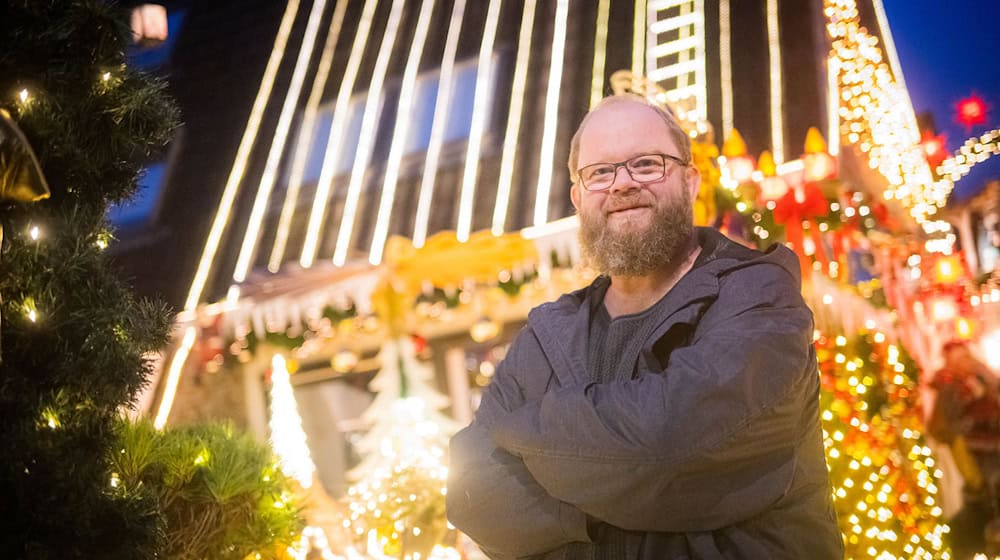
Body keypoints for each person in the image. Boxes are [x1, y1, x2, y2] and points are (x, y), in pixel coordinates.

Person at [446, 94, 843, 559]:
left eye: (647, 164)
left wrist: (525, 439)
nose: (622, 185)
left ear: (690, 181)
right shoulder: (547, 333)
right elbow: (470, 490)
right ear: (578, 197)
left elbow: (670, 441)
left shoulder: (757, 296)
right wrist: (621, 493)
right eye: (600, 172)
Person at [929, 340, 1000, 558]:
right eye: (957, 359)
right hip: (971, 453)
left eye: (965, 356)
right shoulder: (948, 386)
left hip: (994, 448)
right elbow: (945, 425)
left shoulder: (986, 377)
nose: (964, 363)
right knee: (982, 498)